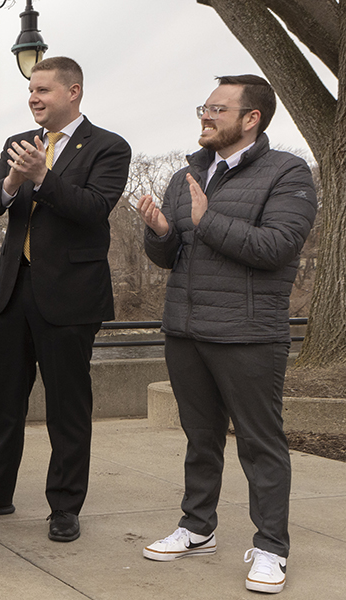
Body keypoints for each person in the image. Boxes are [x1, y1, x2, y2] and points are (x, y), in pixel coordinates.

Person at [138, 75, 316, 594]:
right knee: (200, 437)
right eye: (204, 106)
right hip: (185, 330)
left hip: (248, 335)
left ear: (251, 118)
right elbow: (168, 259)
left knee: (261, 444)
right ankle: (197, 527)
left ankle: (271, 549)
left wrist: (206, 219)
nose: (205, 116)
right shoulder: (186, 174)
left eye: (217, 108)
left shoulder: (289, 172)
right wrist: (161, 233)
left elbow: (278, 247)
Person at [0, 56, 131, 542]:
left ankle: (64, 507)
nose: (33, 98)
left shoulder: (108, 147)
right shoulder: (19, 145)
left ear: (73, 92)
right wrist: (14, 180)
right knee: (5, 405)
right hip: (13, 292)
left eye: (43, 90)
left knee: (67, 407)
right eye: (30, 91)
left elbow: (94, 209)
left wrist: (43, 177)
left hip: (71, 298)